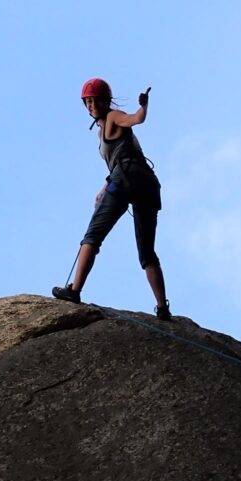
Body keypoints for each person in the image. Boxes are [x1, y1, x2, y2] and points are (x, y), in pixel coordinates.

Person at [52, 78, 171, 320]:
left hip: (127, 178)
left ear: (106, 101)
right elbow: (124, 156)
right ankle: (163, 308)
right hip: (146, 182)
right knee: (147, 253)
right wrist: (104, 187)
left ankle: (74, 291)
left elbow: (136, 120)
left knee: (93, 236)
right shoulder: (103, 128)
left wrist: (144, 108)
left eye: (95, 101)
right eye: (88, 101)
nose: (91, 105)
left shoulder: (114, 117)